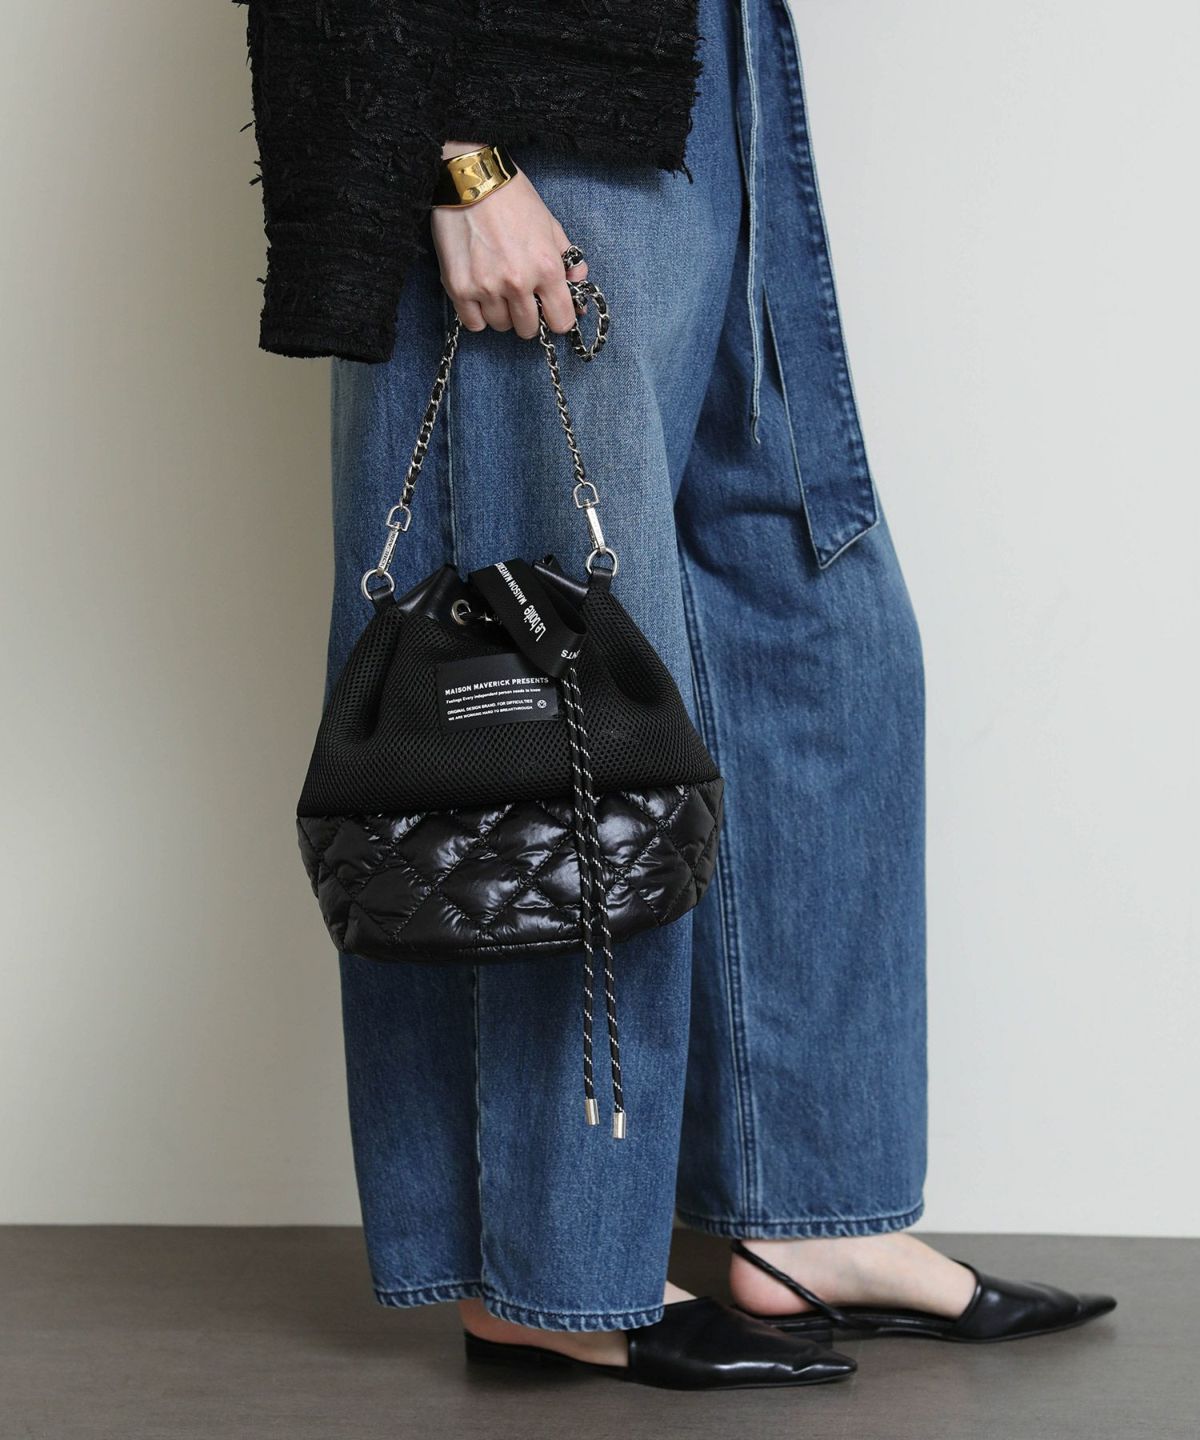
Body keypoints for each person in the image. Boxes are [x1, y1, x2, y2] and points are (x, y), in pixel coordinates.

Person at [236, 0, 1116, 1388]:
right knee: (545, 723)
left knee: (812, 641)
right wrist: (457, 153)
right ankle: (551, 1273)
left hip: (709, 71)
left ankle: (808, 1217)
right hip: (516, 106)